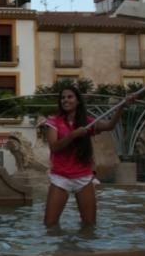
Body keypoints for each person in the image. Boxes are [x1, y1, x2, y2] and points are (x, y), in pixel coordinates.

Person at [43, 87, 134, 227]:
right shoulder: (53, 121)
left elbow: (109, 126)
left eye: (70, 97)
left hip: (83, 177)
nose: (65, 100)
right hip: (61, 177)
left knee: (89, 224)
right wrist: (73, 135)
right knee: (50, 223)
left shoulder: (88, 122)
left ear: (78, 101)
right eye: (63, 97)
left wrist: (121, 107)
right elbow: (54, 147)